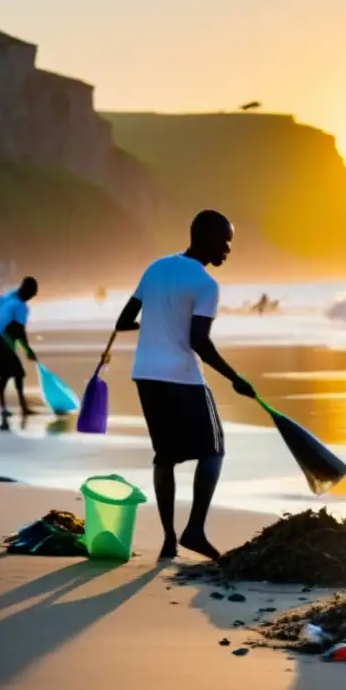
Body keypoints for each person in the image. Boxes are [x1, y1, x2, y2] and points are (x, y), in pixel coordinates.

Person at [114, 209, 256, 561]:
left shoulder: (156, 267)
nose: (227, 248)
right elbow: (199, 342)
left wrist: (157, 326)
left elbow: (124, 321)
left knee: (165, 457)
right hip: (182, 378)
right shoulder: (206, 285)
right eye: (225, 240)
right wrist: (234, 377)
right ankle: (194, 530)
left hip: (146, 374)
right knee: (213, 451)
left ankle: (168, 539)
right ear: (206, 236)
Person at [0, 277, 38, 419]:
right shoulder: (21, 306)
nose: (31, 298)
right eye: (31, 294)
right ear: (26, 290)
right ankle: (17, 407)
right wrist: (28, 350)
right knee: (15, 372)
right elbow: (19, 331)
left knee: (10, 373)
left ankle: (17, 407)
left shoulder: (9, 295)